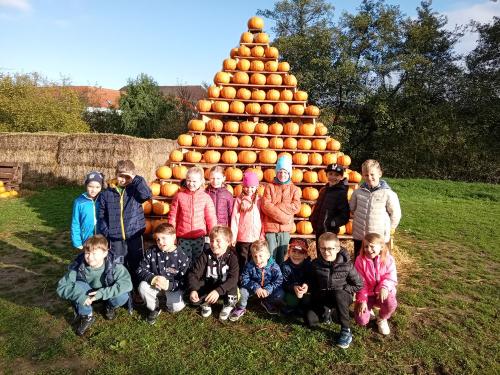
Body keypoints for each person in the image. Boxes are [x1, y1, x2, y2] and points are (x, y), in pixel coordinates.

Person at [56, 235, 132, 336]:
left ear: (105, 253)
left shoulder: (114, 264)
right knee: (77, 286)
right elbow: (62, 286)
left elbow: (127, 284)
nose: (90, 257)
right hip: (88, 292)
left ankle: (110, 306)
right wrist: (80, 296)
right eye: (87, 253)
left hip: (106, 291)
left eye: (94, 253)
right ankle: (87, 315)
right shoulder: (78, 266)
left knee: (122, 296)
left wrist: (103, 293)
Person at [304, 232, 363, 349]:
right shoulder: (316, 264)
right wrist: (306, 286)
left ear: (337, 248)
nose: (326, 252)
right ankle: (329, 312)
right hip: (324, 296)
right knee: (311, 321)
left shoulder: (347, 265)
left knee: (338, 294)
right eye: (323, 248)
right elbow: (312, 282)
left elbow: (359, 284)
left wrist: (346, 289)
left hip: (341, 296)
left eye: (330, 248)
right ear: (319, 248)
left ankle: (346, 329)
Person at [98, 160, 152, 288]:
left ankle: (137, 288)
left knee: (136, 263)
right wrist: (107, 232)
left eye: (126, 176)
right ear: (116, 174)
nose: (123, 179)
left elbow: (147, 195)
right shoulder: (107, 193)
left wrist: (135, 179)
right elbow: (101, 215)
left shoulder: (135, 191)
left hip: (134, 236)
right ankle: (121, 289)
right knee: (118, 264)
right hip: (116, 239)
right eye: (120, 175)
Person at [136, 223, 190, 325]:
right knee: (142, 286)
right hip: (155, 285)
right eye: (158, 239)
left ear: (173, 237)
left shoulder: (182, 257)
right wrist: (153, 278)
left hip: (172, 287)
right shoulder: (151, 251)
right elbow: (140, 269)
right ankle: (155, 308)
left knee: (176, 307)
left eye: (163, 238)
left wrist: (169, 285)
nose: (160, 242)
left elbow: (185, 281)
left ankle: (168, 303)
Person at [350, 159, 401, 258]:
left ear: (380, 174)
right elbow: (352, 208)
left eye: (372, 174)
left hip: (379, 237)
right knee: (359, 261)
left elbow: (395, 214)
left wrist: (390, 229)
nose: (369, 177)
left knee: (380, 262)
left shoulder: (387, 193)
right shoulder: (357, 192)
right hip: (360, 235)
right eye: (366, 175)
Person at [187, 226, 239, 321]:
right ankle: (205, 303)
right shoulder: (205, 255)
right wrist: (193, 289)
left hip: (225, 286)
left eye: (218, 241)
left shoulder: (232, 257)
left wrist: (218, 291)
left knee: (233, 287)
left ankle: (228, 305)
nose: (214, 244)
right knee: (194, 299)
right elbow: (194, 273)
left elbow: (233, 278)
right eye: (211, 241)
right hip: (209, 284)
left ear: (228, 242)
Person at [168, 166, 217, 263]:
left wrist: (213, 235)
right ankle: (184, 278)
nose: (191, 184)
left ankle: (196, 278)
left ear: (201, 181)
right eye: (189, 180)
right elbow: (173, 216)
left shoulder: (205, 198)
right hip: (183, 236)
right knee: (183, 260)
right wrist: (171, 234)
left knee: (198, 260)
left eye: (194, 181)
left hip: (199, 237)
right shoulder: (179, 196)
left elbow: (210, 218)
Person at [229, 240, 284, 321]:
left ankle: (266, 301)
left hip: (267, 289)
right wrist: (256, 287)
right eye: (255, 256)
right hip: (253, 289)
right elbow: (244, 279)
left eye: (261, 256)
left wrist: (268, 289)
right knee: (242, 291)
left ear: (268, 255)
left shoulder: (274, 267)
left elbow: (278, 280)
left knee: (280, 294)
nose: (258, 260)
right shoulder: (249, 266)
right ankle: (241, 308)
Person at [354, 233, 398, 335]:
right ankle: (368, 309)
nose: (368, 249)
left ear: (381, 246)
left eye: (372, 246)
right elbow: (360, 281)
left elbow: (391, 277)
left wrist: (384, 287)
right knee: (361, 321)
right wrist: (362, 300)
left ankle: (382, 318)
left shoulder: (388, 259)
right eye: (366, 246)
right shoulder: (360, 260)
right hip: (367, 295)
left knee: (391, 303)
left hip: (382, 293)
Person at [261, 156, 301, 265]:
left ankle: (281, 278)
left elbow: (296, 206)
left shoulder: (295, 189)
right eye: (280, 172)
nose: (282, 175)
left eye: (285, 172)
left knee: (283, 256)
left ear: (289, 174)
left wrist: (278, 205)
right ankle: (270, 277)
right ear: (276, 172)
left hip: (285, 230)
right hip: (271, 228)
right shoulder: (269, 187)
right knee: (270, 255)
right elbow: (265, 206)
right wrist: (283, 217)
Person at [310, 163, 349, 251]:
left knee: (328, 253)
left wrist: (333, 223)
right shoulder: (324, 190)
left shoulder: (341, 193)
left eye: (336, 175)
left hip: (330, 230)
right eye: (330, 174)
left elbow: (344, 215)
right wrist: (312, 218)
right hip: (319, 229)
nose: (333, 177)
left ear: (341, 177)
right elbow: (318, 207)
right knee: (320, 252)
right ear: (326, 175)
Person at [230, 171, 263, 274]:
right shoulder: (239, 200)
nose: (249, 190)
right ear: (243, 187)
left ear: (257, 187)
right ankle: (242, 281)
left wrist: (262, 235)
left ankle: (252, 280)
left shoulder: (259, 200)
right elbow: (235, 218)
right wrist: (233, 236)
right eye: (247, 187)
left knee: (254, 259)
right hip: (243, 237)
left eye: (252, 187)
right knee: (243, 260)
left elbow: (263, 218)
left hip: (255, 237)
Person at [71, 171, 104, 249]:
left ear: (101, 187)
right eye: (90, 186)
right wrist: (77, 242)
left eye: (97, 187)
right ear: (86, 185)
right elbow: (75, 222)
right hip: (86, 238)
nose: (94, 190)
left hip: (101, 238)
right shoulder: (79, 202)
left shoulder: (103, 199)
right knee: (87, 258)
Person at [280, 238, 312, 315]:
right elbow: (283, 283)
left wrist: (306, 286)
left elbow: (311, 279)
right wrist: (293, 287)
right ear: (288, 252)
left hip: (304, 291)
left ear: (305, 255)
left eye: (300, 252)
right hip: (291, 291)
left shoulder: (309, 265)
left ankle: (301, 307)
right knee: (291, 300)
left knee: (308, 299)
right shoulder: (285, 266)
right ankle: (292, 307)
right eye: (294, 251)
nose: (296, 255)